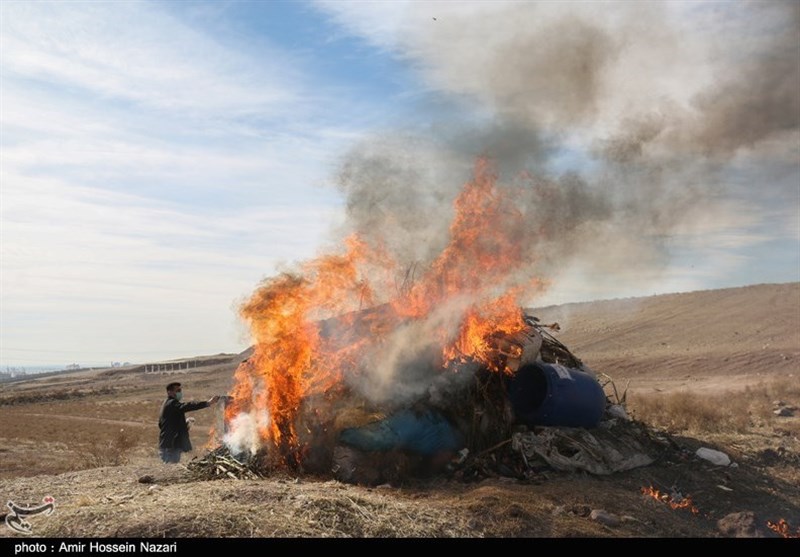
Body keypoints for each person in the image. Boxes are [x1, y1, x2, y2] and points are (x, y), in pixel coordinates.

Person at [158, 382, 219, 464]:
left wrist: (183, 426)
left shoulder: (168, 404)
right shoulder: (171, 403)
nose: (180, 393)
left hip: (171, 444)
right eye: (178, 390)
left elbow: (162, 424)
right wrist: (207, 403)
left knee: (171, 466)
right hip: (170, 446)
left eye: (180, 390)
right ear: (169, 392)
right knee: (170, 467)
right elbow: (187, 406)